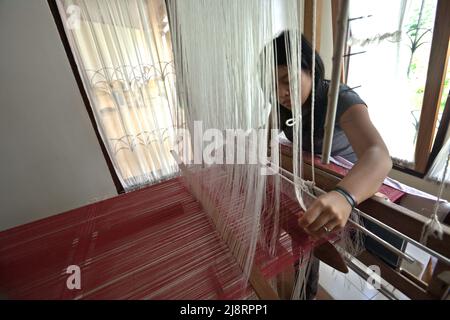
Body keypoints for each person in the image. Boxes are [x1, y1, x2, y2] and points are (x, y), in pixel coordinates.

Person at [272, 31, 392, 299]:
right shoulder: (283, 107)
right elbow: (262, 132)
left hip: (354, 183)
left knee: (362, 255)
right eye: (271, 85)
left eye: (286, 79)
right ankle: (305, 291)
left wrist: (344, 195)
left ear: (310, 69)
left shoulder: (339, 97)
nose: (280, 92)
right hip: (311, 184)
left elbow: (379, 154)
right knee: (303, 236)